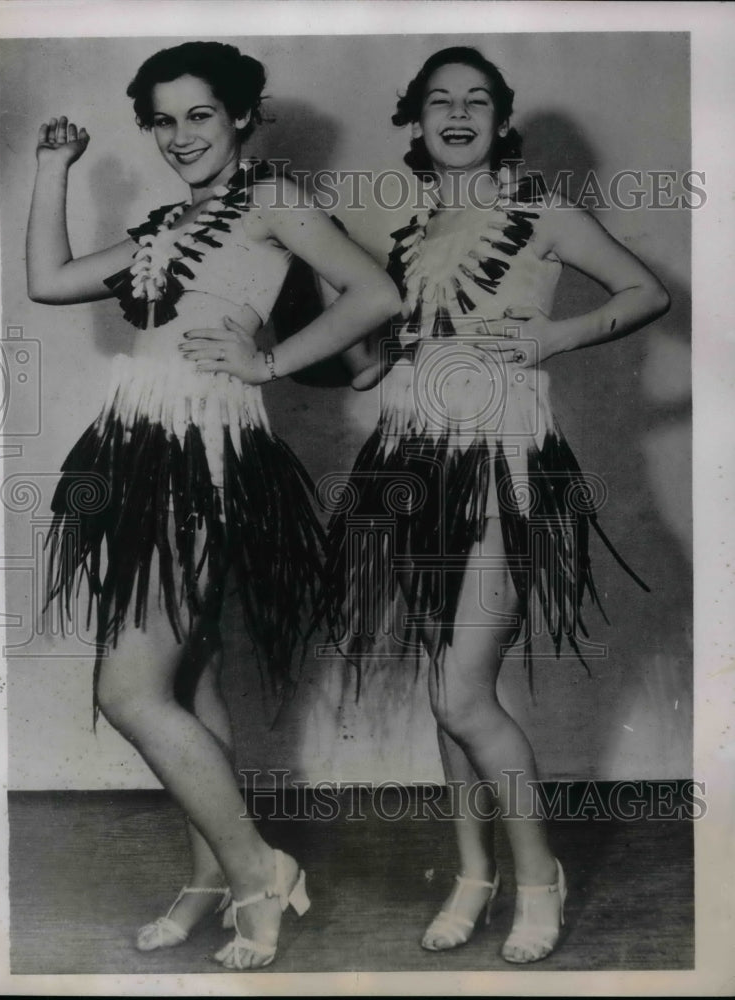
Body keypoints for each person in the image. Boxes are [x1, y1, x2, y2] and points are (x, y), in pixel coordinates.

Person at [27, 40, 399, 970]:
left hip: (206, 453)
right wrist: (50, 170)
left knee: (129, 689)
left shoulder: (272, 201)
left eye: (200, 114)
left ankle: (257, 870)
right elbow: (50, 278)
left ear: (241, 115)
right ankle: (209, 884)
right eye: (162, 118)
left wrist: (268, 362)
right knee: (186, 679)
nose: (180, 134)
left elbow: (377, 292)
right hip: (141, 449)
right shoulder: (164, 224)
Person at [325, 47, 670, 963]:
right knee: (449, 692)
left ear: (500, 117)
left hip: (507, 469)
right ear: (417, 119)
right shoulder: (408, 237)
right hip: (412, 468)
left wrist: (558, 334)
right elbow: (374, 364)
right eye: (440, 101)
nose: (459, 114)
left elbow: (647, 290)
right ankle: (472, 875)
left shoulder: (542, 212)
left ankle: (536, 877)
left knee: (461, 690)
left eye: (478, 100)